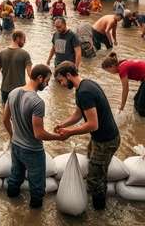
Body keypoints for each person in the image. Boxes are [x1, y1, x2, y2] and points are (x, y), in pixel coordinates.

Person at [54, 62, 120, 210]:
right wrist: (63, 125)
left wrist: (69, 133)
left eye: (61, 80)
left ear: (69, 75)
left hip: (106, 141)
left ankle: (99, 211)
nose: (62, 84)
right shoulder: (84, 86)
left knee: (94, 180)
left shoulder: (84, 92)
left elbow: (93, 125)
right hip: (100, 138)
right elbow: (78, 115)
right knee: (94, 167)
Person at [3, 64, 62, 209]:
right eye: (47, 80)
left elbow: (5, 120)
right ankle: (34, 217)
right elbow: (39, 133)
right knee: (37, 187)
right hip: (32, 150)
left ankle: (12, 210)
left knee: (15, 177)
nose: (47, 84)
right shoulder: (37, 102)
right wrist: (58, 137)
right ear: (40, 78)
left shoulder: (13, 92)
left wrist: (13, 136)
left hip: (16, 146)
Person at [101, 52, 145, 117]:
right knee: (136, 100)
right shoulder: (121, 63)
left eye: (108, 71)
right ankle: (138, 122)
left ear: (112, 66)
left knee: (141, 106)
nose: (109, 73)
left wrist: (122, 107)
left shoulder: (122, 69)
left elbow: (125, 89)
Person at [0, 30, 32, 104]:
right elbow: (30, 74)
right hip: (19, 90)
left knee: (5, 111)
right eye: (24, 39)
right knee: (17, 113)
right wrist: (33, 88)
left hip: (5, 89)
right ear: (17, 38)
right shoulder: (25, 54)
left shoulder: (2, 53)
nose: (24, 42)